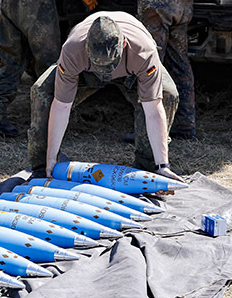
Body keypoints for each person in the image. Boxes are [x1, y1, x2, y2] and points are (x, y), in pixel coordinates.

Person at [27, 11, 184, 182]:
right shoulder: (72, 50)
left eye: (109, 64)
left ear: (123, 44)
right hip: (86, 73)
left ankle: (148, 169)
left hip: (130, 70)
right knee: (41, 92)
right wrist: (50, 158)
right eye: (100, 65)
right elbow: (62, 105)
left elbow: (153, 109)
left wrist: (163, 165)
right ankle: (45, 169)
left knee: (167, 94)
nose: (105, 72)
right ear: (86, 45)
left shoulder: (143, 52)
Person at [0, 0, 97, 138]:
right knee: (48, 66)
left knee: (9, 62)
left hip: (10, 4)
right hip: (38, 6)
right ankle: (46, 123)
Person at [138, 0, 196, 139]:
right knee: (179, 63)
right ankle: (184, 125)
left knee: (149, 65)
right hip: (182, 6)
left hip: (157, 6)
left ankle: (147, 132)